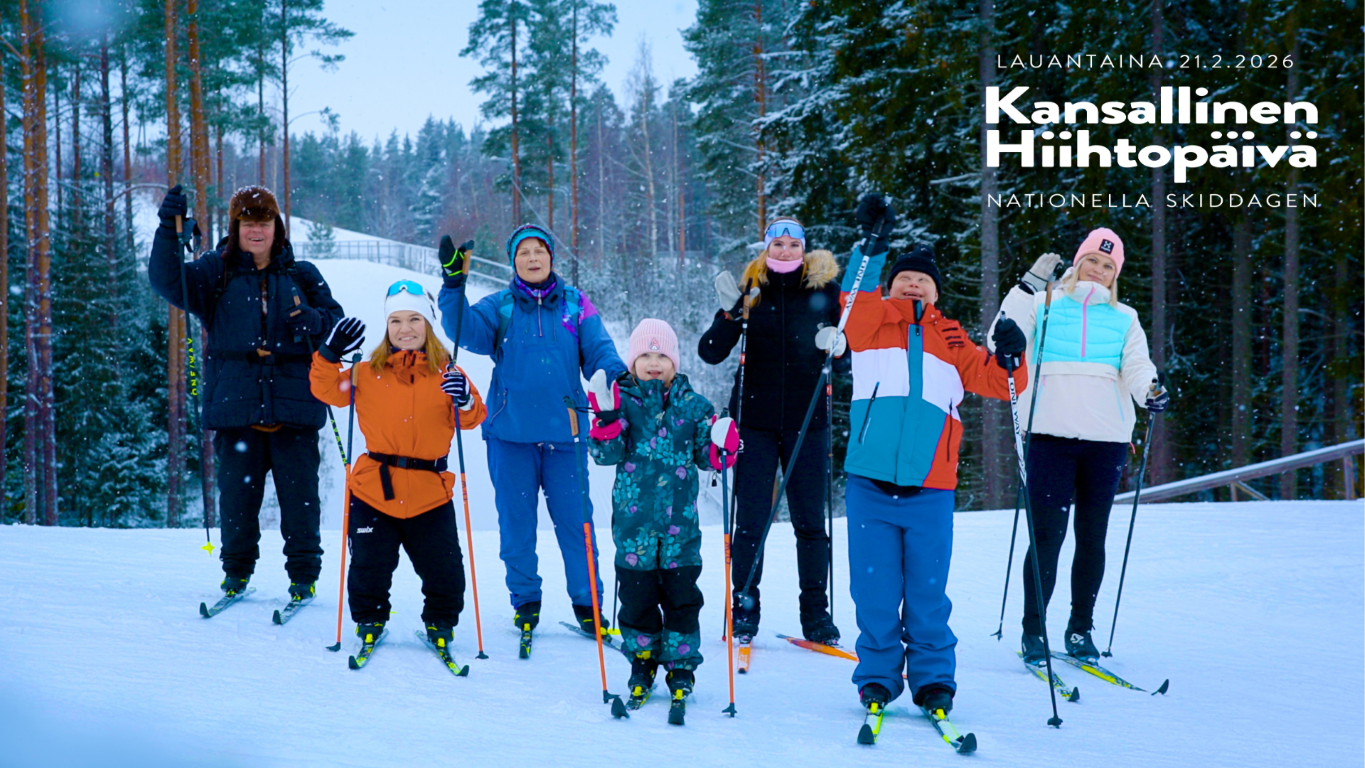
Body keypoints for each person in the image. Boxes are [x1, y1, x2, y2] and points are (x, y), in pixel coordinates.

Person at [839, 195, 1028, 717]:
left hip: (930, 488)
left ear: (937, 291)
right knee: (874, 595)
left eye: (924, 280)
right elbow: (852, 305)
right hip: (870, 484)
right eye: (905, 278)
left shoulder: (952, 337)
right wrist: (873, 251)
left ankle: (933, 680)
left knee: (927, 595)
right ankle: (877, 677)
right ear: (892, 284)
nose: (914, 284)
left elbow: (997, 380)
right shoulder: (871, 323)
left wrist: (1015, 354)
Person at [148, 184, 343, 602]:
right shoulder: (213, 271)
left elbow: (336, 322)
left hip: (295, 407)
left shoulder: (302, 274)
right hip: (236, 410)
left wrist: (313, 319)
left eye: (264, 221)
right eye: (248, 222)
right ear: (236, 227)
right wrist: (168, 229)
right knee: (237, 502)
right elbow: (166, 280)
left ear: (278, 226)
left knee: (301, 502)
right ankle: (236, 574)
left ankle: (304, 577)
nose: (257, 229)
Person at [988, 228, 1170, 664]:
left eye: (1108, 265)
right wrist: (1029, 282)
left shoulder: (1124, 316)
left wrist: (1150, 390)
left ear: (1116, 274)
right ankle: (1034, 631)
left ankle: (1079, 629)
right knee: (1046, 536)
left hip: (1105, 441)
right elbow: (1001, 335)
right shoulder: (1045, 302)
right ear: (1078, 261)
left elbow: (1136, 365)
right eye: (1093, 260)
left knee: (1092, 536)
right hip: (1049, 435)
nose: (1099, 269)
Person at [436, 226, 626, 643]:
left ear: (551, 258)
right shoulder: (499, 306)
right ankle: (525, 601)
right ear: (513, 261)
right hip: (511, 436)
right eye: (524, 252)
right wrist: (453, 286)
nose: (533, 257)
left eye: (540, 250)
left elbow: (599, 351)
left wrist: (617, 378)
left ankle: (587, 604)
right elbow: (462, 329)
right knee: (517, 526)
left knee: (578, 526)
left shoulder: (576, 304)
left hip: (566, 436)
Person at [309, 281, 486, 652]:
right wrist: (329, 354)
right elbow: (327, 392)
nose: (405, 329)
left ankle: (441, 623)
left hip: (430, 492)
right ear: (387, 327)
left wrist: (466, 399)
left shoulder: (447, 372)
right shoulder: (367, 372)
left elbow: (473, 417)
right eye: (396, 321)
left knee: (445, 569)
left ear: (428, 324)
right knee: (369, 566)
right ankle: (370, 621)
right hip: (374, 489)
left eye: (414, 319)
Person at [697, 216, 845, 644]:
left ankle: (816, 615)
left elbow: (846, 356)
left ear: (804, 250)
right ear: (765, 249)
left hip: (807, 421)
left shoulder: (825, 292)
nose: (784, 251)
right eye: (776, 244)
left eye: (792, 244)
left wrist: (839, 346)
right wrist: (729, 314)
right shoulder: (749, 292)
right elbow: (710, 352)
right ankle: (744, 610)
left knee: (810, 522)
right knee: (751, 522)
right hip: (754, 422)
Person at [585, 319, 730, 708]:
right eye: (645, 355)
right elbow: (604, 455)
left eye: (662, 355)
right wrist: (606, 420)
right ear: (632, 361)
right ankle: (643, 662)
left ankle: (681, 665)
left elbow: (708, 458)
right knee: (637, 600)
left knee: (683, 599)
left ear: (675, 362)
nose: (653, 362)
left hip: (681, 530)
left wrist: (722, 446)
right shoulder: (622, 403)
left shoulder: (695, 407)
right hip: (634, 530)